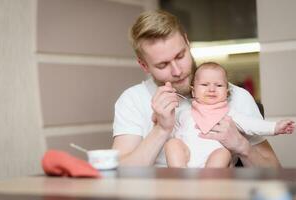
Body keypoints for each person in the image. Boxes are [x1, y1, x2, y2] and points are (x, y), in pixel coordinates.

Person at [112, 10, 281, 167]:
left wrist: (242, 146)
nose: (177, 71)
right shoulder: (132, 100)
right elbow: (118, 173)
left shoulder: (237, 97)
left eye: (180, 56)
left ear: (187, 42)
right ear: (144, 66)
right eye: (163, 65)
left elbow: (276, 173)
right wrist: (161, 130)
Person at [164, 62, 295, 168]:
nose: (211, 89)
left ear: (226, 92)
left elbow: (252, 124)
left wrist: (275, 127)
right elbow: (172, 130)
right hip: (186, 158)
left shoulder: (230, 114)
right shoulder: (184, 112)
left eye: (219, 85)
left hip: (213, 161)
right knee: (172, 144)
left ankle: (206, 188)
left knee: (223, 154)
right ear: (193, 91)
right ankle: (181, 179)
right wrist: (160, 121)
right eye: (204, 84)